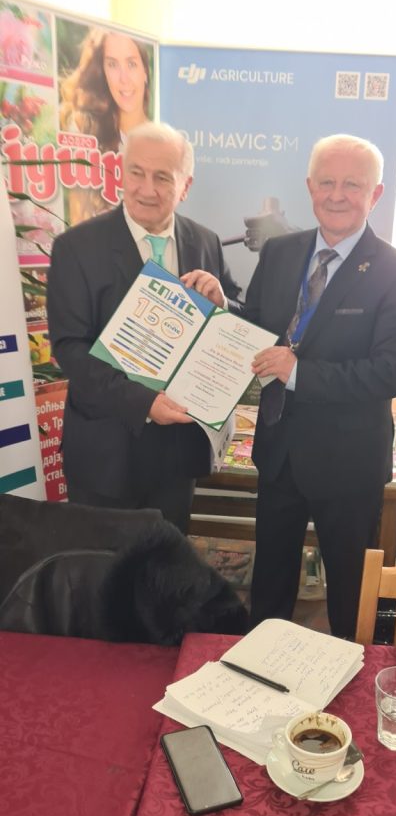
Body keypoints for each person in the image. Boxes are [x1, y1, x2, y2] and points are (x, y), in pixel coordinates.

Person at [243, 133, 396, 638]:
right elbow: (255, 326)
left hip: (348, 465)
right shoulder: (279, 252)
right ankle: (259, 670)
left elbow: (392, 371)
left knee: (349, 596)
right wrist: (219, 307)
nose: (337, 195)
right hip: (279, 451)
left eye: (352, 184)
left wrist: (297, 372)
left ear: (376, 193)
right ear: (309, 187)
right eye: (326, 182)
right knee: (269, 585)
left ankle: (350, 678)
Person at [47, 121, 241, 533]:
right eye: (136, 172)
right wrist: (144, 402)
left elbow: (236, 321)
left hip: (177, 455)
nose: (146, 189)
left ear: (185, 186)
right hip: (105, 453)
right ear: (121, 172)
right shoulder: (75, 247)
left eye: (162, 177)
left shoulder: (205, 242)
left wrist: (222, 304)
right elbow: (70, 349)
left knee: (166, 564)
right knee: (102, 566)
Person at [59, 28, 152, 152]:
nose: (124, 79)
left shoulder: (162, 141)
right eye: (112, 64)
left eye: (131, 64)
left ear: (145, 71)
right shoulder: (84, 128)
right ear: (103, 73)